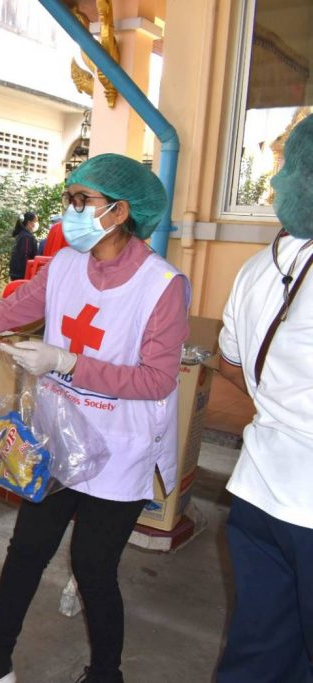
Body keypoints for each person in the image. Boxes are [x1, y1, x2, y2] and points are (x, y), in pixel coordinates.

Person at [0, 153, 189, 683]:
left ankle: (106, 673)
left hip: (119, 448)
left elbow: (157, 380)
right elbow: (3, 313)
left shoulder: (162, 285)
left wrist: (68, 362)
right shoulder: (66, 264)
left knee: (93, 568)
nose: (71, 209)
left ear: (120, 211)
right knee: (26, 551)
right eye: (69, 198)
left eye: (83, 200)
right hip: (57, 438)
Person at [215, 113, 313, 683]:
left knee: (258, 652)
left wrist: (277, 397)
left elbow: (231, 364)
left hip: (258, 492)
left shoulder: (258, 267)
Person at [8, 211, 38, 281]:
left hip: (17, 274)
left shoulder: (21, 235)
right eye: (35, 221)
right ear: (29, 222)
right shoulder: (26, 237)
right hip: (22, 275)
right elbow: (25, 256)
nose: (35, 224)